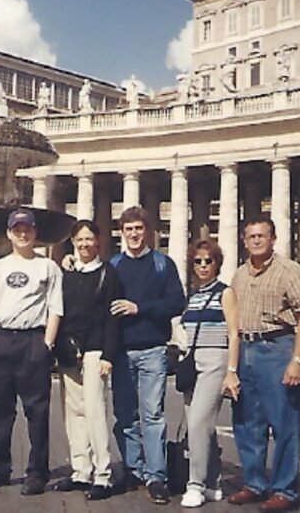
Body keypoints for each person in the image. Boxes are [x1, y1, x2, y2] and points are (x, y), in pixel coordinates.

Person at [0, 209, 63, 496]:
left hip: (32, 340)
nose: (23, 233)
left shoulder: (48, 267)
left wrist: (46, 344)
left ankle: (37, 471)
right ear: (9, 233)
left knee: (37, 410)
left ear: (35, 233)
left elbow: (55, 308)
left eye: (28, 229)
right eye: (17, 229)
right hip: (1, 341)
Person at [226, 215, 300, 513]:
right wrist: (232, 367)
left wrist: (297, 361)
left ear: (273, 238)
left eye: (261, 236)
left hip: (277, 348)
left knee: (284, 422)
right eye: (251, 236)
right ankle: (254, 482)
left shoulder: (290, 271)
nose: (256, 241)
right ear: (244, 240)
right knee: (247, 423)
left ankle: (284, 490)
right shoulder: (239, 274)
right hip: (246, 348)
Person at [109, 206, 185, 505]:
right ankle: (133, 468)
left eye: (139, 228)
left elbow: (177, 302)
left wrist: (139, 308)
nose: (134, 234)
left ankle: (156, 476)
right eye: (128, 229)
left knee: (153, 415)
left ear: (148, 231)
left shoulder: (162, 264)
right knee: (125, 416)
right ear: (122, 232)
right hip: (121, 350)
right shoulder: (113, 265)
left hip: (153, 348)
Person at [51, 220, 120, 501]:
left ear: (98, 241)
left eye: (89, 239)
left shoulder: (108, 273)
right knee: (73, 413)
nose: (84, 244)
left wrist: (108, 355)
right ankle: (81, 469)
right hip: (69, 350)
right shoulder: (66, 273)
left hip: (94, 350)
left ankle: (103, 474)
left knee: (94, 411)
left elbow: (112, 318)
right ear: (73, 242)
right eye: (79, 240)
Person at [179, 239, 239, 508]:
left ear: (217, 264)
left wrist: (232, 371)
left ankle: (195, 484)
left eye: (208, 261)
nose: (203, 265)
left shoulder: (225, 293)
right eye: (198, 261)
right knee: (204, 427)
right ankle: (213, 480)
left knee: (197, 424)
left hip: (216, 360)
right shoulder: (193, 295)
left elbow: (234, 334)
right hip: (193, 362)